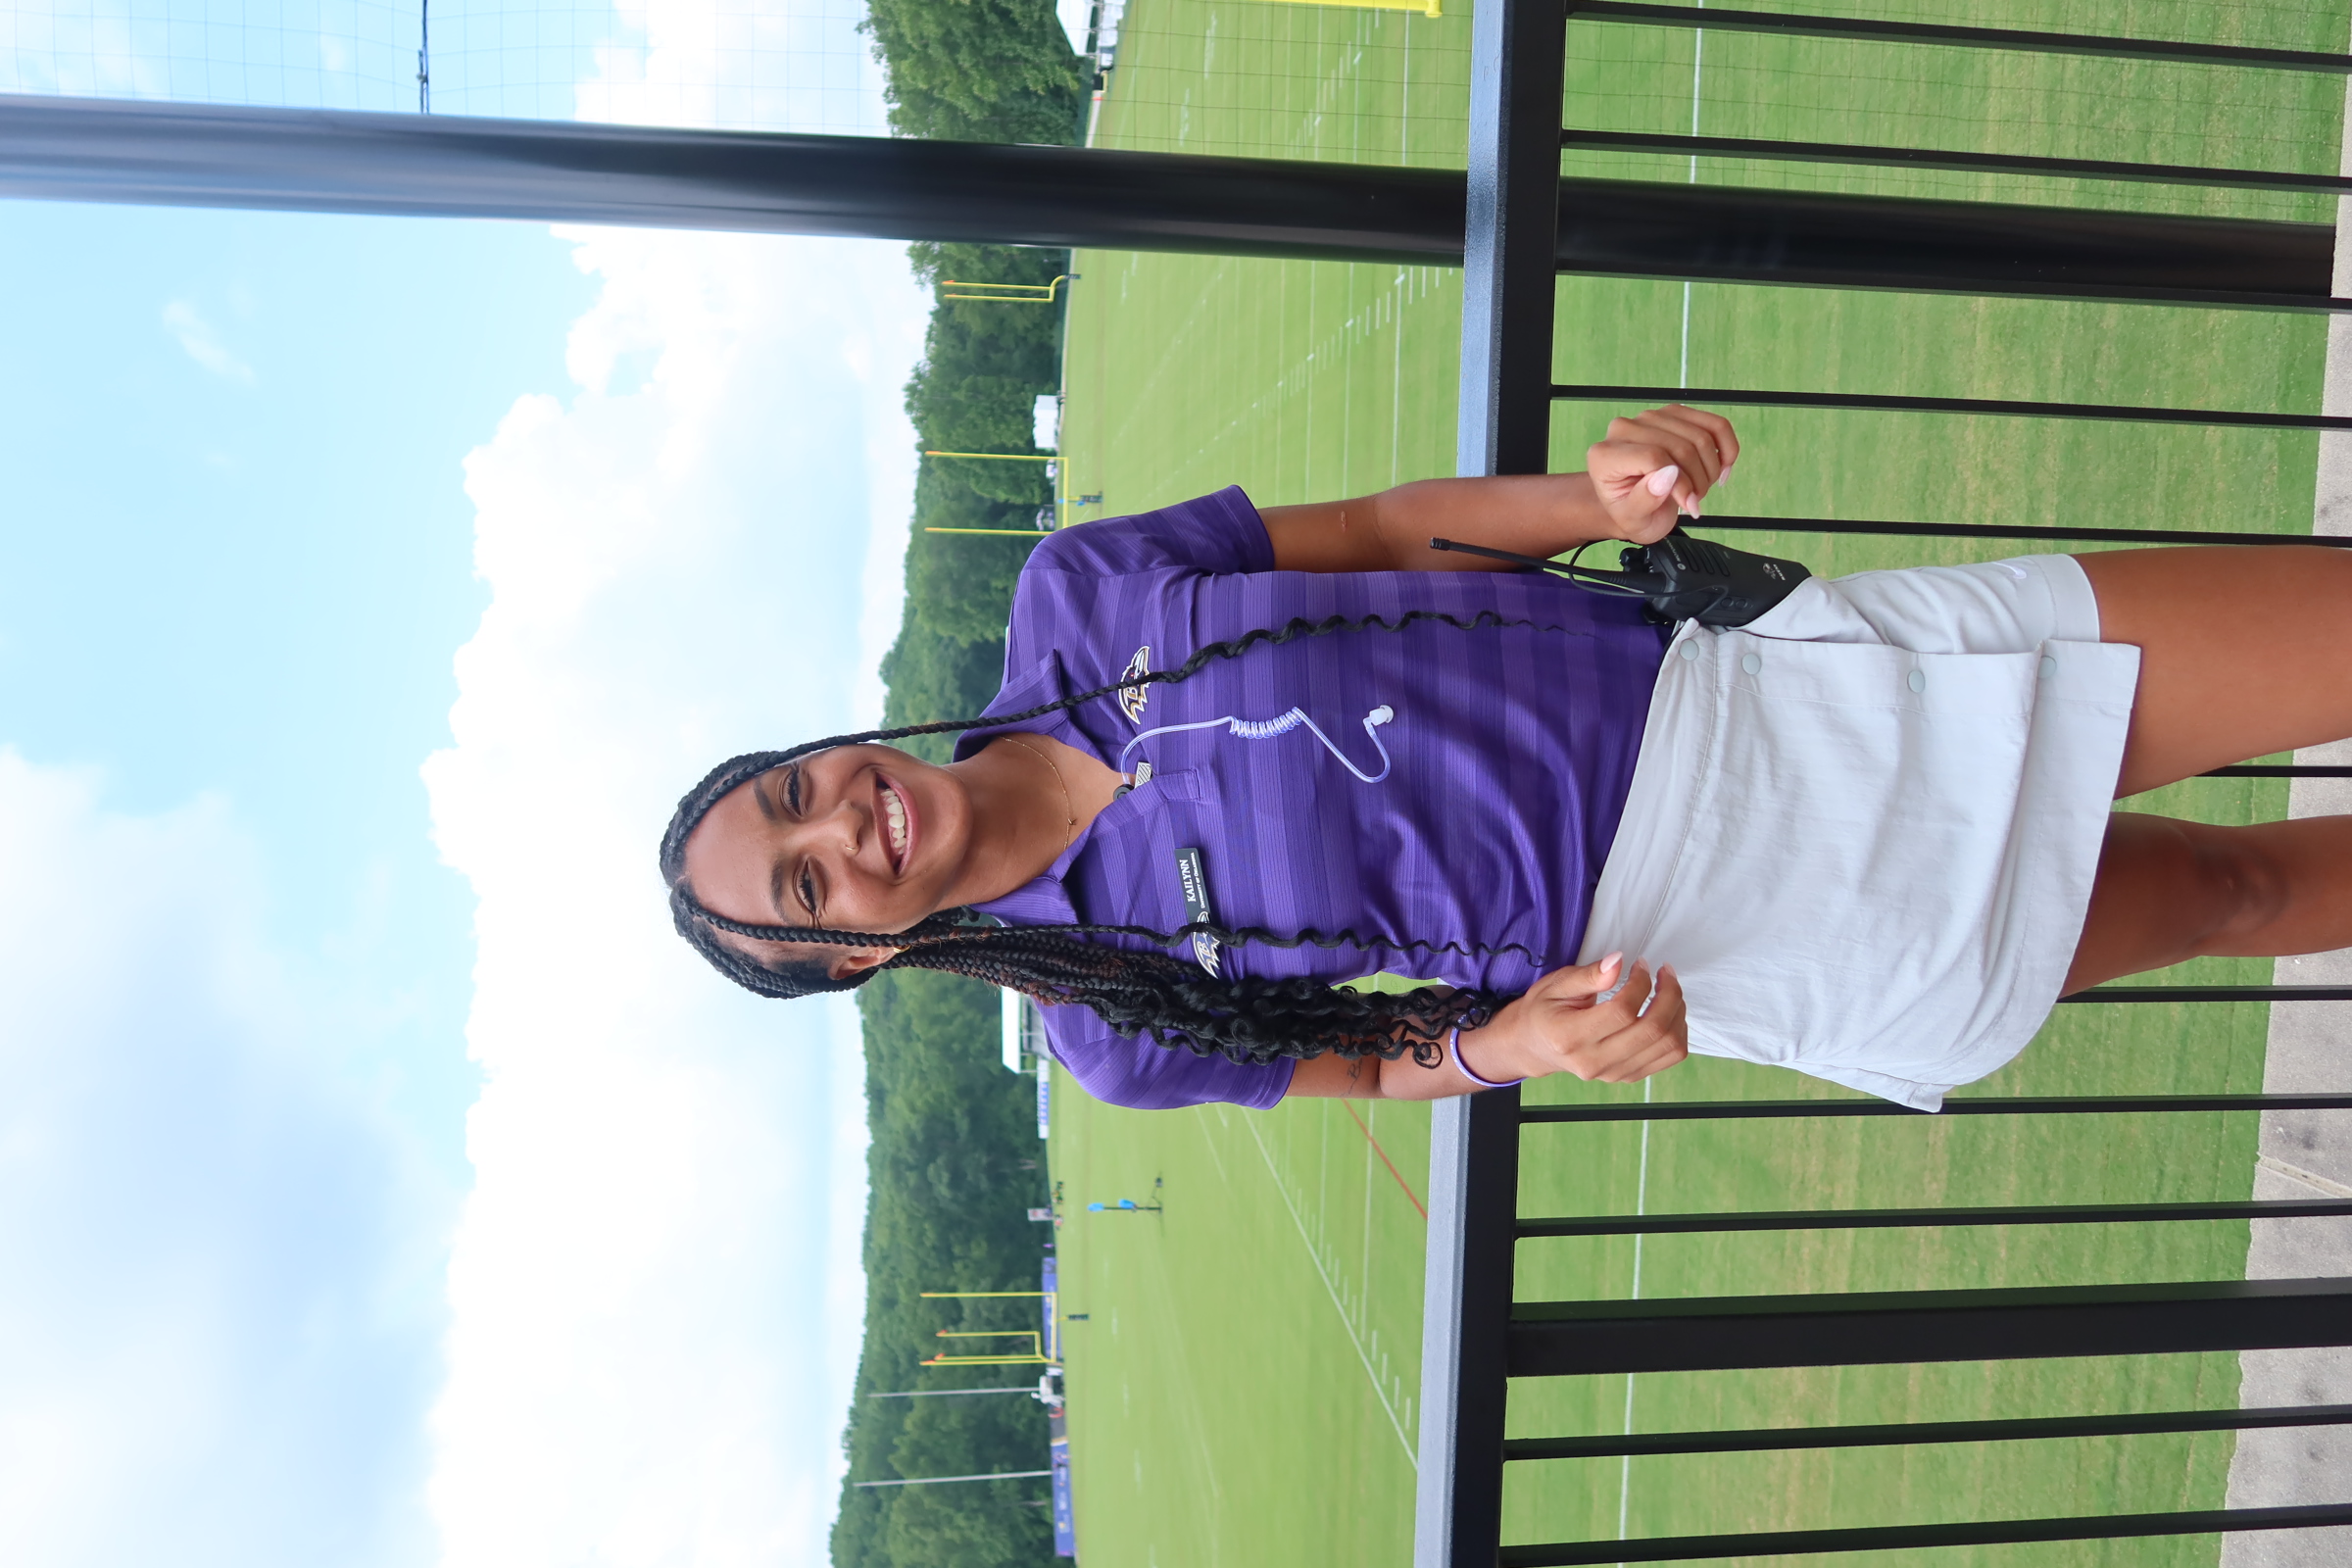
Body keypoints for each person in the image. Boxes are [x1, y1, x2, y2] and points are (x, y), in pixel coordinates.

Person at [660, 405, 2352, 1112]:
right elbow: (1368, 1063)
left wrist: (1591, 501)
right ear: (854, 953)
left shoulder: (1076, 593)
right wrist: (1511, 1046)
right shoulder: (1108, 1027)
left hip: (1764, 686)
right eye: (806, 888)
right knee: (2227, 891)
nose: (843, 827)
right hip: (1719, 920)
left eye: (794, 791)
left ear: (827, 749)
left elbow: (1380, 529)